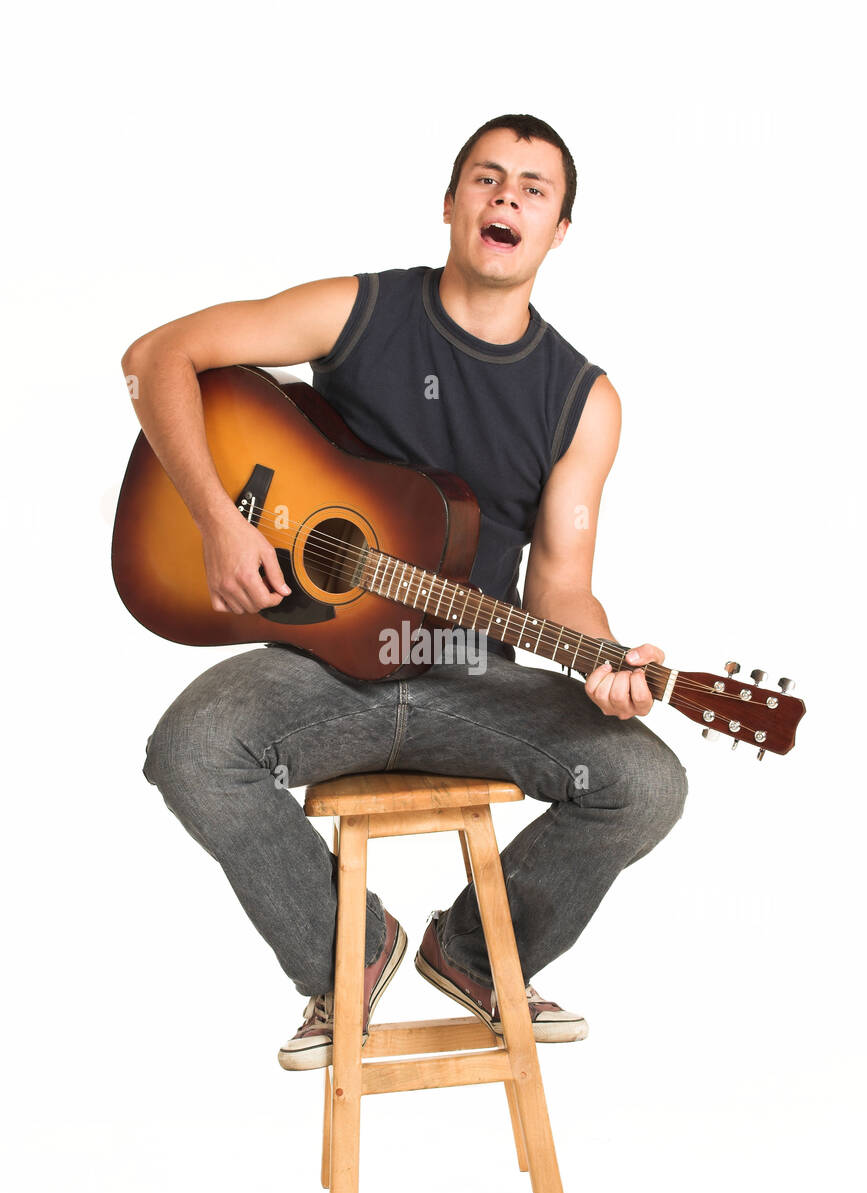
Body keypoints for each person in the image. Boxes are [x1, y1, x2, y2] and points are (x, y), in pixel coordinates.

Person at [121, 113, 688, 1071]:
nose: (506, 196)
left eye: (532, 188)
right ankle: (346, 958)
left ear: (556, 232)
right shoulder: (359, 309)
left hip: (473, 676)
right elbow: (154, 358)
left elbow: (560, 587)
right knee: (192, 747)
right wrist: (220, 518)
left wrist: (607, 660)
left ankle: (471, 956)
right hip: (324, 666)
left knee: (644, 782)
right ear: (451, 204)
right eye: (486, 177)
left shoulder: (581, 401)